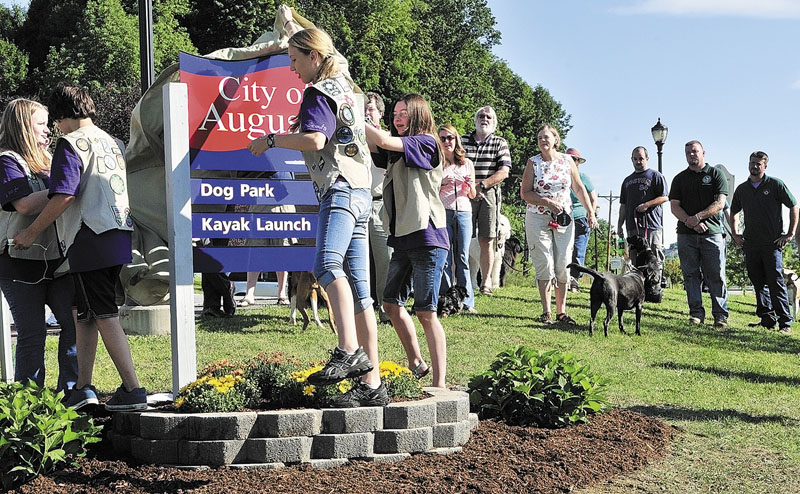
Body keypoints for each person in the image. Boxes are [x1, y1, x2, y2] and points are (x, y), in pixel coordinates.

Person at [247, 28, 386, 407]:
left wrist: (272, 140)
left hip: (338, 187)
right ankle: (372, 385)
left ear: (313, 57)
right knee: (360, 292)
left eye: (294, 60)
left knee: (325, 265)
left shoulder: (317, 91)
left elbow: (316, 141)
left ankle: (348, 351)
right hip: (362, 190)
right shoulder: (345, 86)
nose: (291, 68)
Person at [13, 83, 146, 411]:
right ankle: (83, 388)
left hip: (89, 238)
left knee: (103, 313)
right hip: (117, 232)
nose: (55, 127)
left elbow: (65, 195)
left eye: (55, 120)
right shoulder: (113, 141)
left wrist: (30, 232)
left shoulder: (71, 144)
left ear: (61, 116)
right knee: (83, 313)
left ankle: (133, 388)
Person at [365, 93, 449, 388]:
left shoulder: (425, 142)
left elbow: (385, 141)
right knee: (390, 304)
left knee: (426, 311)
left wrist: (355, 115)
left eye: (403, 113)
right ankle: (416, 361)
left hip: (428, 238)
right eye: (395, 114)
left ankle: (440, 383)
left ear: (418, 115)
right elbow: (376, 144)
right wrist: (366, 119)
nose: (397, 118)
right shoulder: (398, 148)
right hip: (402, 238)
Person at [0, 98, 78, 392]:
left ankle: (71, 395)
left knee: (74, 327)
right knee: (32, 334)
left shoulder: (51, 159)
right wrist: (66, 189)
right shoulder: (7, 160)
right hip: (18, 263)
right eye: (41, 125)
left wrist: (65, 184)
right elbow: (24, 204)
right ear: (22, 127)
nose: (49, 131)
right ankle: (29, 405)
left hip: (59, 263)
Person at [520, 124, 597, 324]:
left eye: (546, 137)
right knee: (544, 262)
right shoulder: (533, 163)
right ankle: (546, 311)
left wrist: (590, 211)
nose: (543, 141)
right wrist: (546, 202)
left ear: (555, 139)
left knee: (563, 263)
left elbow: (579, 188)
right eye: (539, 138)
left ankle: (561, 311)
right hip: (538, 217)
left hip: (564, 218)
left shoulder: (567, 160)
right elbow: (525, 193)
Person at [730, 151, 797, 333]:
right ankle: (767, 320)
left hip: (772, 244)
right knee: (758, 284)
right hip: (750, 245)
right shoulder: (742, 189)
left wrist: (790, 233)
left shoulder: (775, 185)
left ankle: (785, 323)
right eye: (752, 163)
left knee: (776, 283)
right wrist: (736, 235)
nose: (754, 166)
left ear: (765, 166)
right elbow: (733, 212)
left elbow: (793, 206)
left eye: (758, 164)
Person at [669, 140, 729, 330]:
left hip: (712, 234)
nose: (691, 155)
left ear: (703, 153)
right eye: (688, 152)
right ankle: (696, 313)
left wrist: (697, 217)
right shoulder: (679, 179)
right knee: (691, 276)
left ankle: (720, 316)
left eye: (695, 151)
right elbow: (674, 206)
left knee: (716, 276)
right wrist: (690, 222)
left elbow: (720, 203)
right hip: (686, 235)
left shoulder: (716, 175)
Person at [462, 106, 511, 296]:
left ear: (494, 121)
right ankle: (460, 280)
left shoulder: (500, 142)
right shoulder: (463, 140)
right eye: (481, 116)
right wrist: (469, 187)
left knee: (487, 239)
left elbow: (504, 171)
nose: (484, 119)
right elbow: (454, 162)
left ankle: (486, 282)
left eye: (488, 117)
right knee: (461, 237)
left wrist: (481, 186)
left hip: (489, 193)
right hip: (464, 192)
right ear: (475, 119)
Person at [438, 124, 477, 313]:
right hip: (443, 211)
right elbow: (429, 189)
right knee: (444, 257)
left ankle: (466, 300)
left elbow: (473, 194)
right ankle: (446, 300)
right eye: (443, 138)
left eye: (450, 138)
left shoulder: (467, 163)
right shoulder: (435, 163)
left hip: (463, 211)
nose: (447, 142)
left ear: (456, 140)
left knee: (462, 256)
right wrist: (442, 182)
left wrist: (469, 185)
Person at [617, 146, 669, 284]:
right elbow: (623, 205)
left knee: (654, 256)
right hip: (632, 226)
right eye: (635, 159)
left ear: (647, 158)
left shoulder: (655, 176)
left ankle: (656, 286)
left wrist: (647, 205)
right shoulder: (627, 181)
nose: (638, 161)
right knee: (635, 259)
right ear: (632, 160)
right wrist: (619, 226)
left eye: (641, 158)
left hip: (651, 225)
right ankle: (638, 288)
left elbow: (664, 197)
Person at [364, 92, 392, 323]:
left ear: (381, 113)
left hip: (380, 204)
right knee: (357, 261)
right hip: (357, 202)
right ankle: (359, 310)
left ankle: (386, 310)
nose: (366, 112)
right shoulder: (350, 136)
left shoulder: (388, 138)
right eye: (362, 108)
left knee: (386, 260)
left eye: (370, 108)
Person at [565, 148, 597, 292]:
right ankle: (561, 279)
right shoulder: (561, 177)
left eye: (574, 159)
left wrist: (592, 215)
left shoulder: (584, 178)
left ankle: (574, 280)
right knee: (563, 250)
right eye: (569, 158)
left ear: (578, 162)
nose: (572, 161)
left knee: (578, 251)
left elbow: (593, 199)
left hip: (580, 218)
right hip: (564, 217)